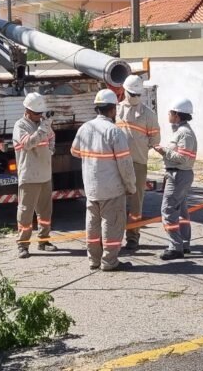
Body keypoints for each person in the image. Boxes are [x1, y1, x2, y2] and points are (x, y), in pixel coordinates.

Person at [71, 89, 137, 271]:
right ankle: (109, 262)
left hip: (91, 188)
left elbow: (74, 152)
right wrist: (131, 186)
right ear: (113, 109)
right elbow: (125, 165)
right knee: (112, 224)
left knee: (92, 224)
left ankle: (94, 260)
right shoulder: (114, 132)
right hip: (112, 189)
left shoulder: (85, 128)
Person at [116, 74, 160, 252]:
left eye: (137, 95)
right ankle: (114, 237)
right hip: (117, 164)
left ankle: (133, 238)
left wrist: (139, 149)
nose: (134, 97)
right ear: (124, 91)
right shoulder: (116, 111)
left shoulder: (148, 114)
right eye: (131, 94)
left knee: (136, 204)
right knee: (116, 202)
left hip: (138, 163)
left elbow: (154, 139)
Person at [13, 92, 57, 259]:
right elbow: (28, 143)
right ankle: (23, 244)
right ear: (27, 110)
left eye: (41, 113)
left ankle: (44, 241)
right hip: (29, 175)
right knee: (25, 212)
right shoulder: (20, 126)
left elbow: (51, 136)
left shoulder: (43, 124)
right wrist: (43, 128)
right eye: (36, 113)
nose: (40, 116)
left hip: (45, 174)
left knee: (45, 212)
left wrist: (51, 149)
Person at [153, 98, 197, 261]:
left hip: (178, 175)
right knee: (181, 211)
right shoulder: (182, 131)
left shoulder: (184, 133)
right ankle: (184, 243)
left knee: (168, 210)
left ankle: (175, 246)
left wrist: (164, 151)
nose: (168, 115)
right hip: (179, 175)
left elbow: (183, 158)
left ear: (177, 115)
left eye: (170, 113)